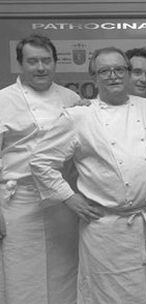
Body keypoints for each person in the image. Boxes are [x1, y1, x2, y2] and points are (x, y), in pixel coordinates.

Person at [30, 46, 146, 304]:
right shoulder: (79, 116)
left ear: (128, 73)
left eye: (119, 69)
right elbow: (41, 161)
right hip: (105, 229)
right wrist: (69, 197)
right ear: (94, 77)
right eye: (104, 71)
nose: (113, 76)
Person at [0, 34, 80, 304]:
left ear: (55, 63)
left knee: (65, 271)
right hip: (18, 202)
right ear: (20, 64)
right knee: (21, 273)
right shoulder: (3, 100)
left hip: (62, 202)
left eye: (46, 61)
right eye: (32, 61)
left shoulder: (71, 98)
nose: (41, 67)